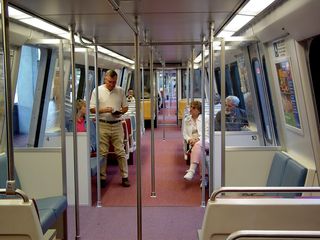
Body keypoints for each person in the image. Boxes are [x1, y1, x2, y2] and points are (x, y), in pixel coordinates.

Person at [90, 69, 130, 188]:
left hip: (117, 124)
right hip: (103, 124)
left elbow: (125, 108)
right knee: (103, 152)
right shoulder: (97, 90)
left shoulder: (120, 91)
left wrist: (119, 112)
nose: (112, 84)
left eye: (114, 82)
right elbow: (92, 109)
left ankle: (125, 177)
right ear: (105, 79)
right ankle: (102, 177)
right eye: (110, 82)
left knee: (120, 152)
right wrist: (104, 110)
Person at [182, 100, 209, 181]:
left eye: (193, 108)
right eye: (190, 107)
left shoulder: (206, 118)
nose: (190, 109)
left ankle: (191, 171)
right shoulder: (187, 119)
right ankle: (204, 178)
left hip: (206, 141)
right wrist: (189, 139)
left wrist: (198, 139)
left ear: (199, 110)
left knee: (198, 145)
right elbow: (185, 133)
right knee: (201, 152)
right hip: (193, 142)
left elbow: (208, 133)